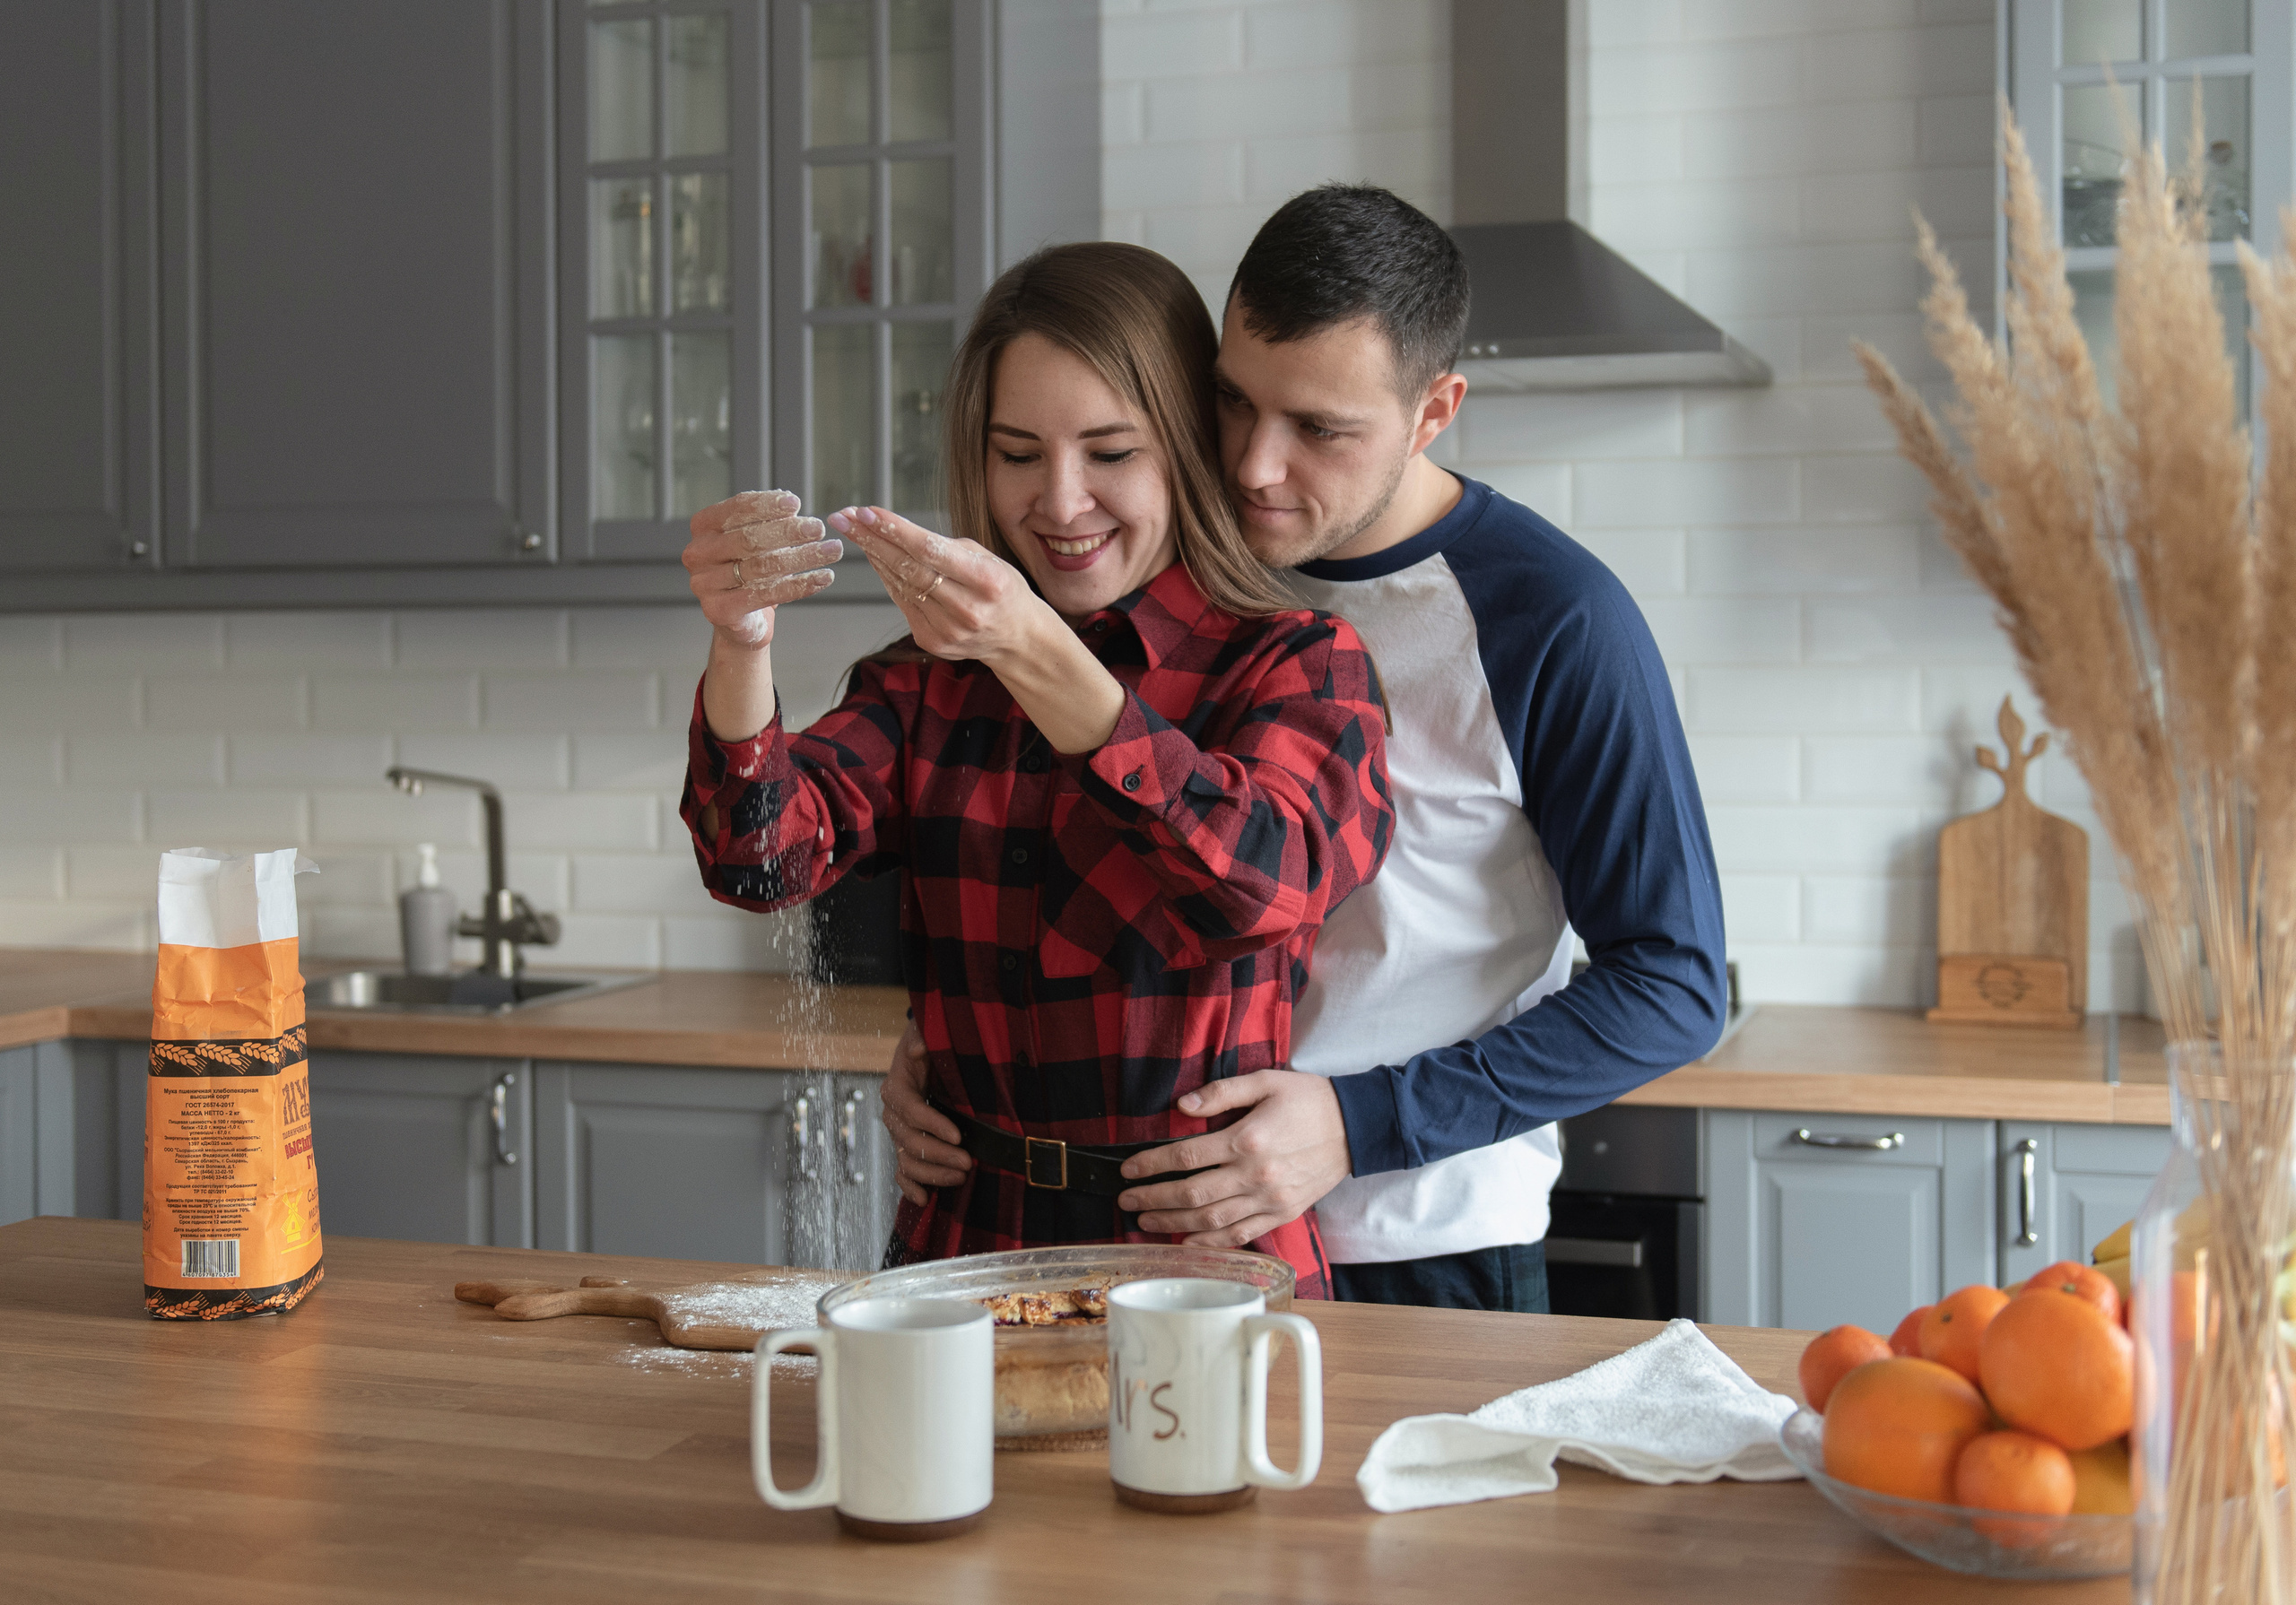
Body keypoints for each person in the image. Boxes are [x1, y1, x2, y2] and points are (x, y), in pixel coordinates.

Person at [881, 187, 1727, 1312]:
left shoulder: (1553, 618)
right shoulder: (1145, 554)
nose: (1253, 467)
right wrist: (943, 1050)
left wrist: (1356, 1121)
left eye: (1320, 429)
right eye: (1232, 401)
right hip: (1152, 1241)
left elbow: (1672, 983)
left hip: (1411, 1245)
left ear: (1433, 411)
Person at [676, 240, 1393, 1297]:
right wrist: (741, 642)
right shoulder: (925, 683)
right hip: (962, 1249)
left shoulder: (1294, 662)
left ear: (1186, 447)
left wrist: (1032, 653)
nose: (1059, 501)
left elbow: (1258, 886)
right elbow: (760, 861)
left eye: (1110, 452)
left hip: (1200, 1262)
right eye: (1017, 453)